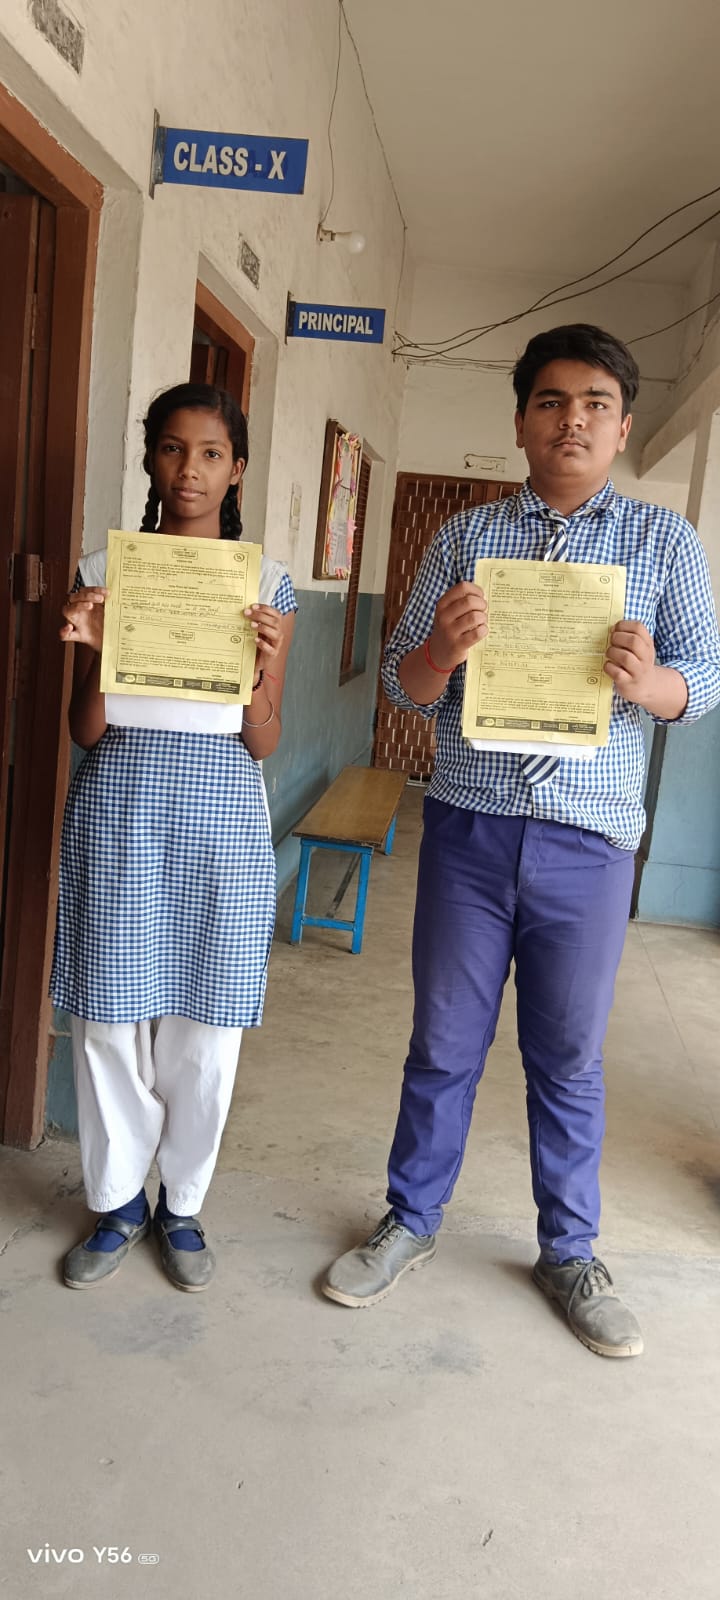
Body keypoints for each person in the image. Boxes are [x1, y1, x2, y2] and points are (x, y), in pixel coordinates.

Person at [322, 323, 720, 1357]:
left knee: (570, 1057)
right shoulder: (465, 540)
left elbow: (706, 682)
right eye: (551, 400)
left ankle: (570, 1251)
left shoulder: (665, 544)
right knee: (444, 1043)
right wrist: (442, 650)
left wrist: (651, 682)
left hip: (590, 843)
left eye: (595, 403)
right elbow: (406, 686)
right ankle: (410, 1218)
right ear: (520, 422)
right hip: (470, 829)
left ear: (623, 427)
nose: (572, 419)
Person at [53, 382, 296, 1292]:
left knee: (207, 1023)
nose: (188, 469)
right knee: (109, 1018)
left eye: (210, 453)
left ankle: (182, 1205)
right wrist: (96, 645)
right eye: (171, 448)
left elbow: (263, 739)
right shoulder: (102, 571)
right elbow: (85, 731)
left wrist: (262, 670)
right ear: (150, 458)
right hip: (120, 812)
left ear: (237, 470)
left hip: (222, 820)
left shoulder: (265, 584)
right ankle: (118, 1204)